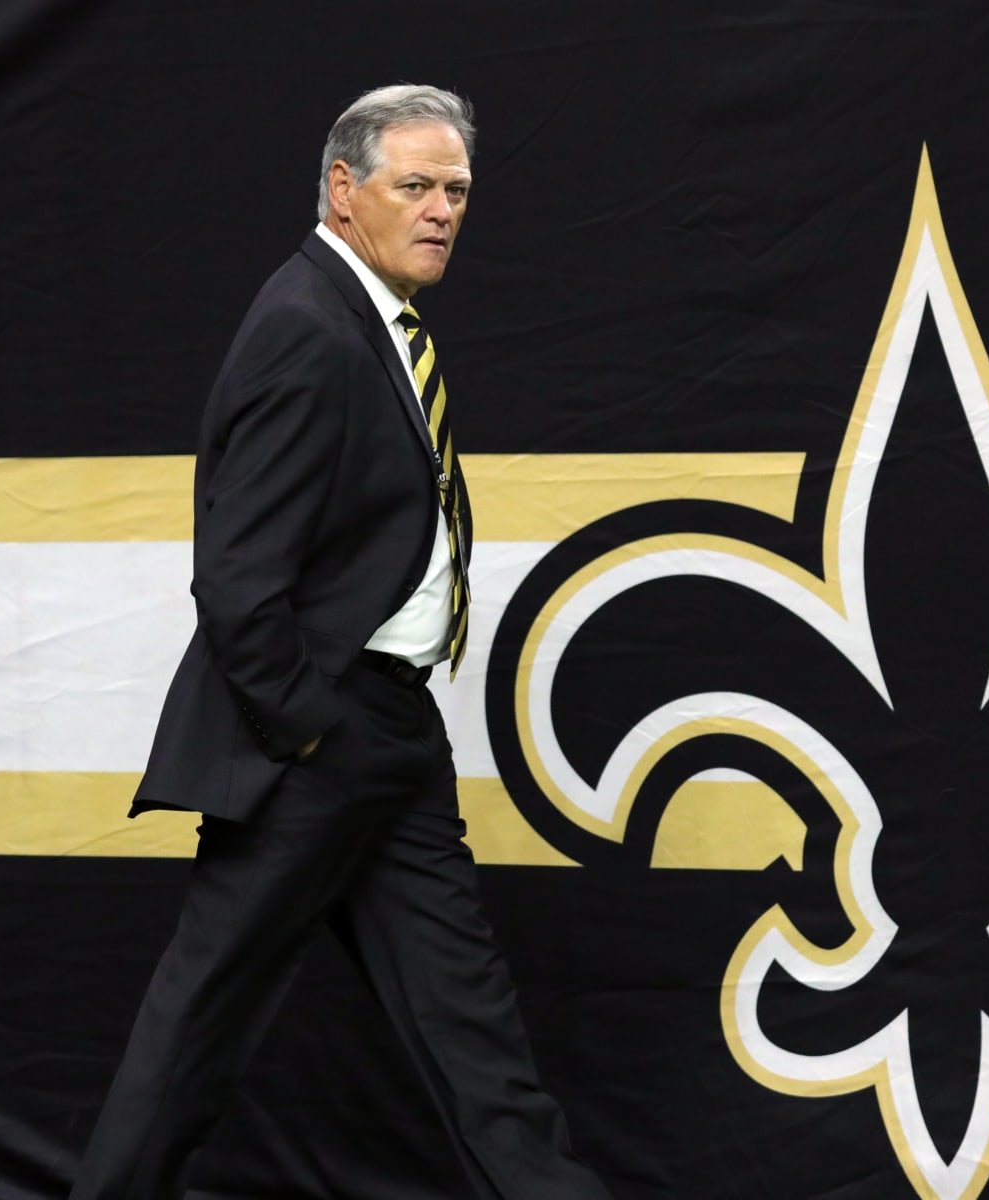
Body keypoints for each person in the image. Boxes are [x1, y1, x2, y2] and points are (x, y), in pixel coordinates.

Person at [71, 84, 611, 1200]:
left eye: (457, 190)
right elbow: (235, 576)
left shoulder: (369, 319)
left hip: (393, 730)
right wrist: (308, 728)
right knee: (196, 1035)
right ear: (343, 189)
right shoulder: (307, 328)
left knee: (472, 1037)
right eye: (414, 186)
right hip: (318, 738)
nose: (442, 211)